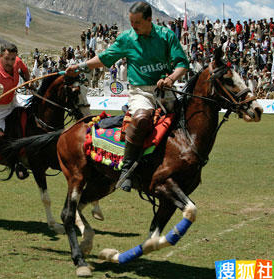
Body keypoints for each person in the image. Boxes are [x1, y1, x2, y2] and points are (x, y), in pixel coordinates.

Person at [66, 1, 189, 192]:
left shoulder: (166, 35)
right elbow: (105, 58)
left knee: (185, 119)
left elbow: (182, 63)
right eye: (131, 23)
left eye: (137, 23)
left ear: (149, 20)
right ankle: (127, 169)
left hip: (165, 89)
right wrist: (81, 66)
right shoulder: (127, 38)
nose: (133, 27)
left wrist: (172, 78)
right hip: (141, 92)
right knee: (141, 119)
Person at [0, 43, 30, 179]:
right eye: (7, 59)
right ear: (0, 56)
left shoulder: (17, 61)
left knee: (30, 119)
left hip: (13, 101)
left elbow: (24, 70)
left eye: (12, 59)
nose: (10, 62)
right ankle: (14, 163)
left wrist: (29, 82)